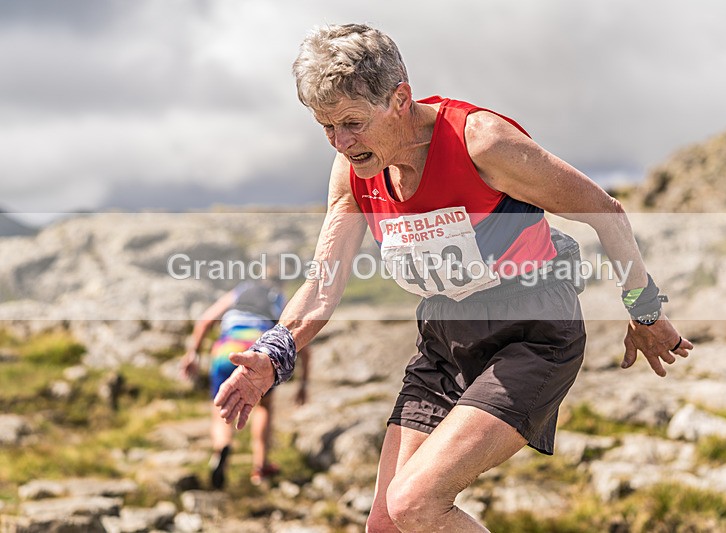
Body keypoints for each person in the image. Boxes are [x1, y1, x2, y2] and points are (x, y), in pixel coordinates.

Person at [214, 24, 693, 531]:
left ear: (400, 98)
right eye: (326, 127)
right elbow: (322, 284)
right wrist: (274, 354)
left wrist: (645, 313)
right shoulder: (353, 171)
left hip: (531, 336)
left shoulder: (482, 143)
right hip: (444, 340)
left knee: (416, 503)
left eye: (352, 122)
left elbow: (606, 211)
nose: (341, 142)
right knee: (387, 524)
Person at [181, 279, 311, 489]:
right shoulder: (279, 300)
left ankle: (222, 446)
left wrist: (192, 353)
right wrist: (303, 384)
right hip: (257, 348)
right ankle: (260, 466)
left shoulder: (240, 292)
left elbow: (205, 320)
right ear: (281, 283)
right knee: (264, 407)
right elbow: (299, 341)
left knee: (221, 403)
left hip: (227, 348)